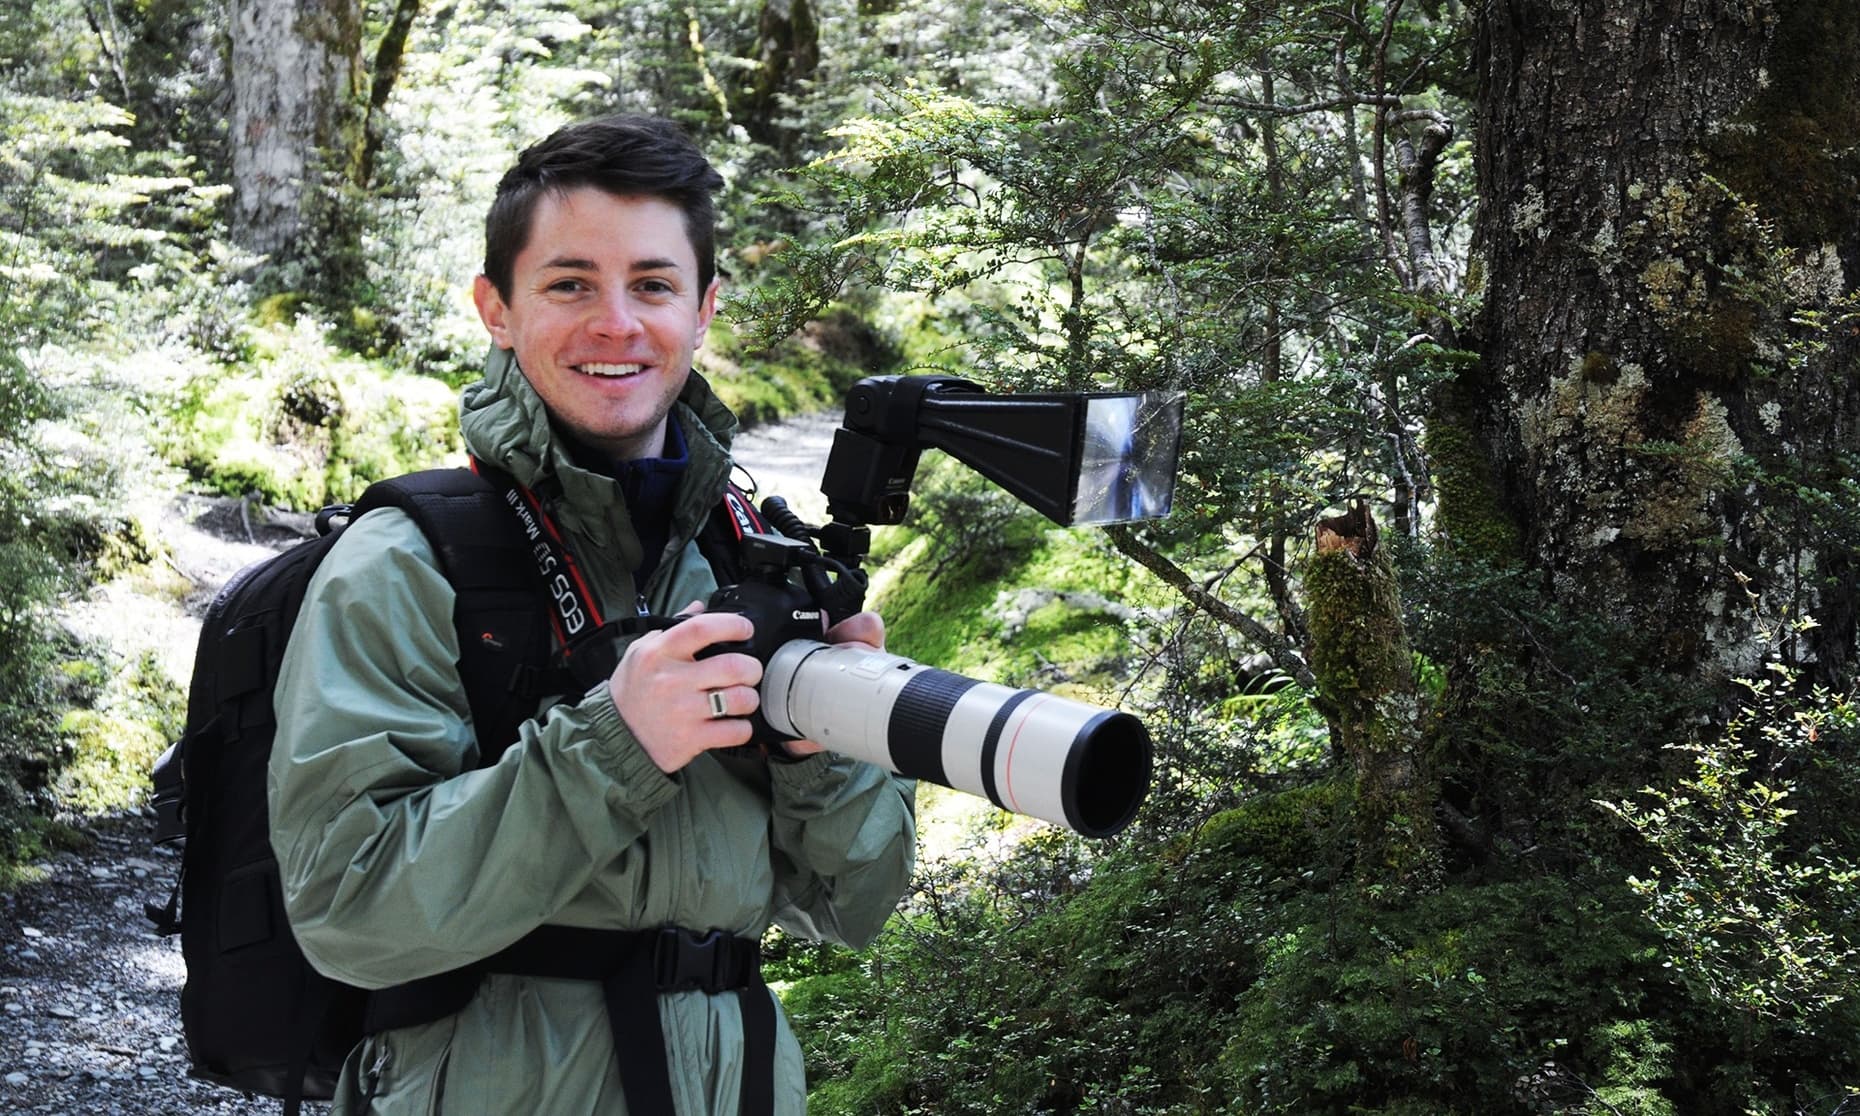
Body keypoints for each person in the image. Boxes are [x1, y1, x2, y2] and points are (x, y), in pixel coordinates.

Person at [267, 114, 918, 1116]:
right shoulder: (404, 564)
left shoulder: (752, 557)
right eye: (570, 283)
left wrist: (821, 750)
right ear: (497, 306)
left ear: (703, 310)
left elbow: (855, 909)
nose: (617, 322)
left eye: (652, 285)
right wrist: (617, 746)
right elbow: (348, 910)